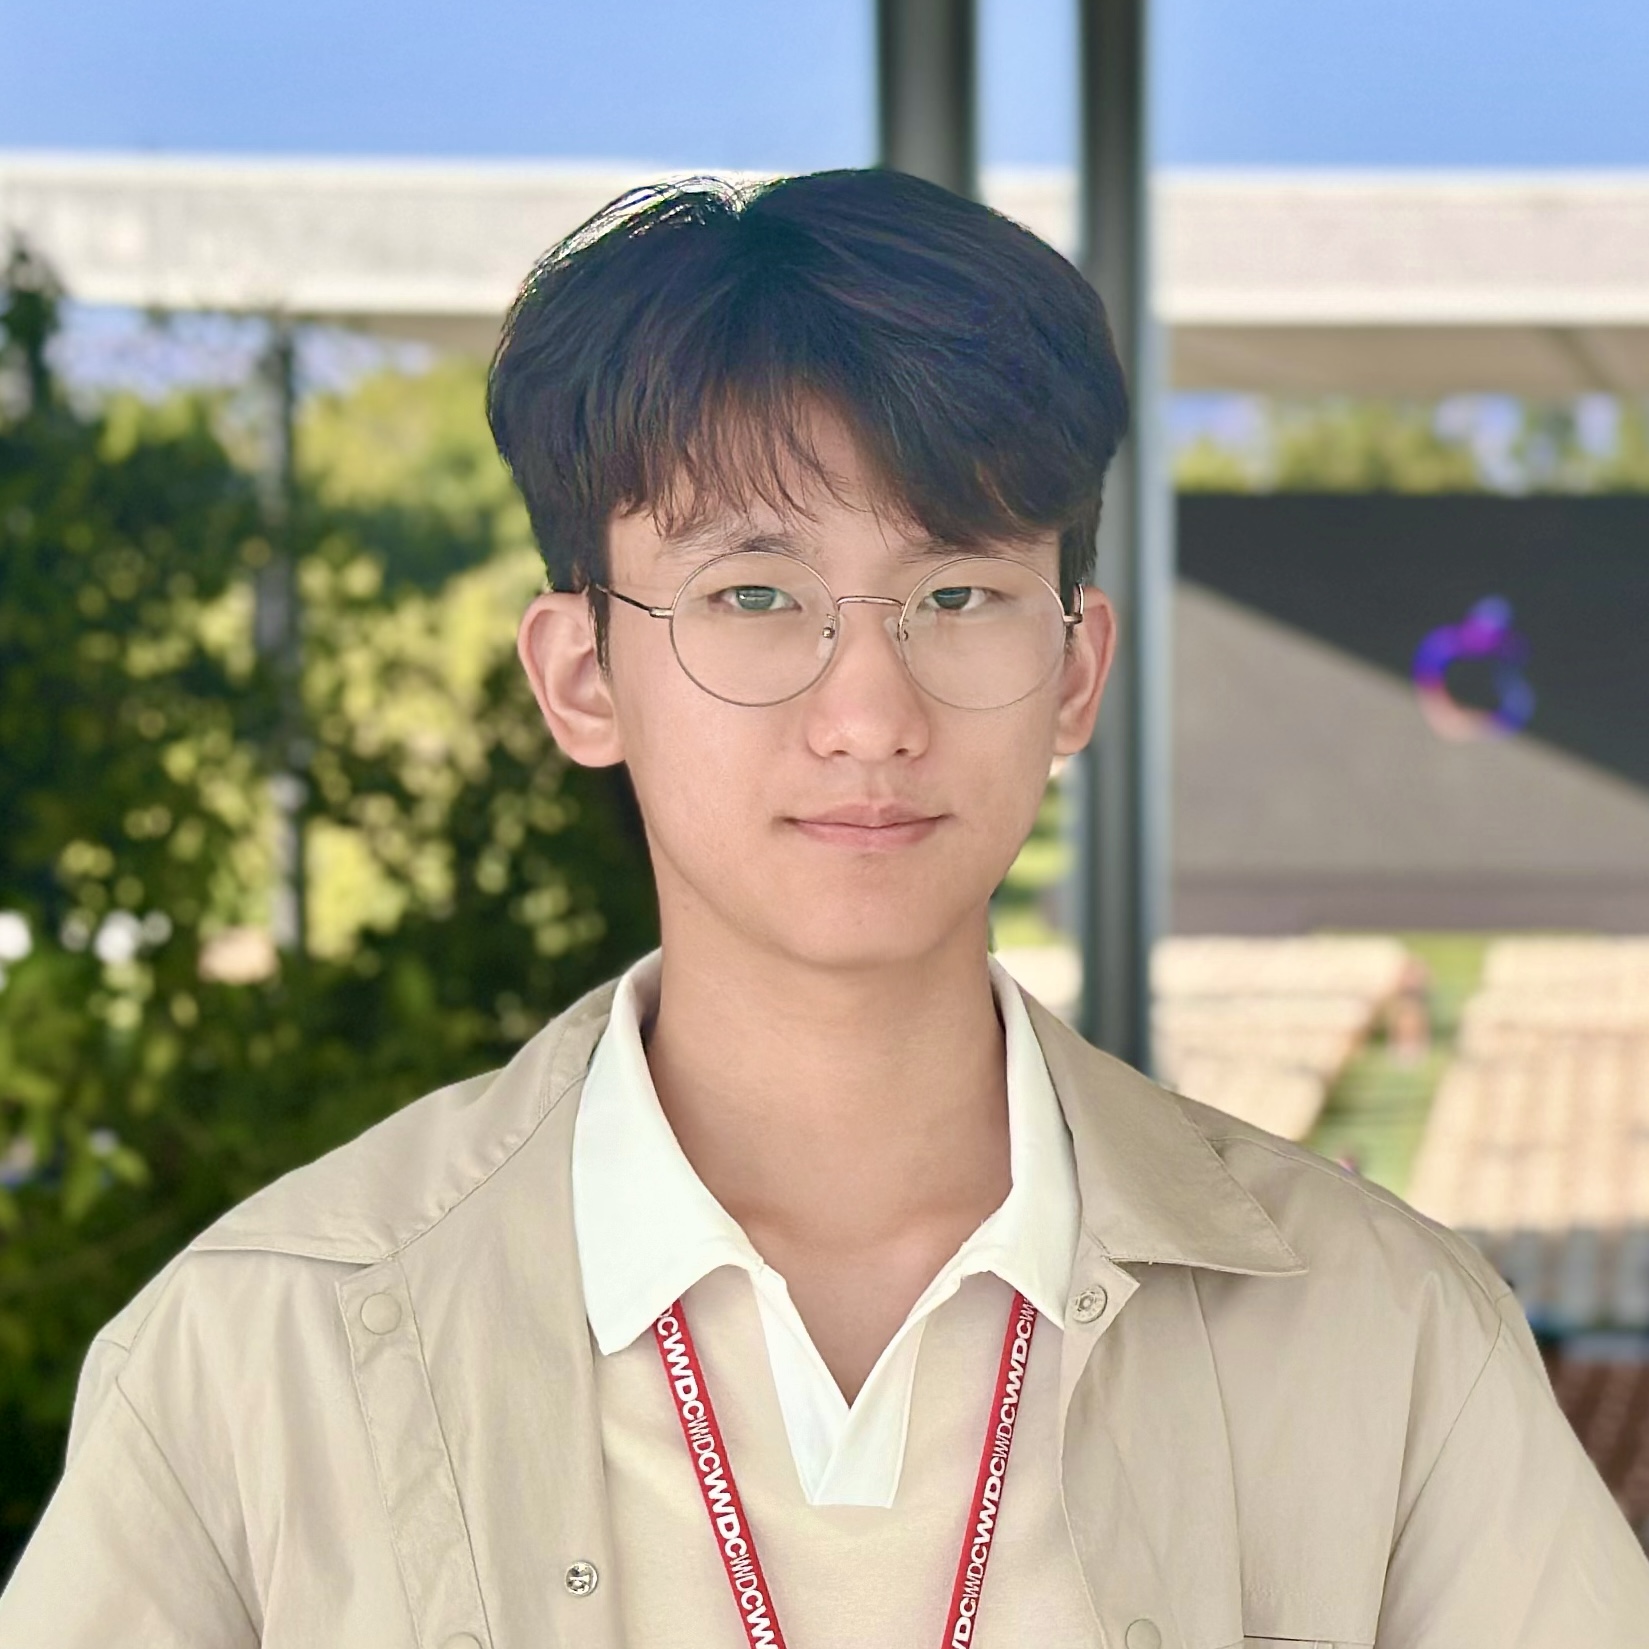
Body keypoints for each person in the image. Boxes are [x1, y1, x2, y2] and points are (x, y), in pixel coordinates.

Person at [2, 168, 1646, 1649]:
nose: (867, 712)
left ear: (1074, 668)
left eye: (957, 591)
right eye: (753, 593)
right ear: (582, 676)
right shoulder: (257, 1349)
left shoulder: (1382, 1337)